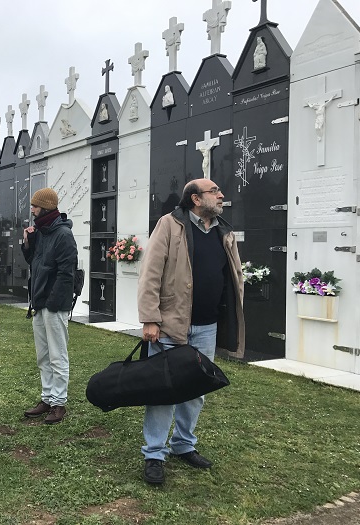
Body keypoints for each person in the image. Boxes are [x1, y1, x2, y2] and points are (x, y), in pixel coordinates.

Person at [137, 178, 244, 485]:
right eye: (215, 192)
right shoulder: (170, 225)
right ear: (196, 199)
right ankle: (154, 454)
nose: (221, 195)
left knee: (196, 391)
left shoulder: (223, 230)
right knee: (164, 390)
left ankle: (183, 444)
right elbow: (150, 273)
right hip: (171, 325)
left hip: (208, 326)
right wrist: (150, 318)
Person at [21, 188, 78, 425]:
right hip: (40, 302)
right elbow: (34, 263)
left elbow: (67, 273)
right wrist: (28, 242)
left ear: (45, 207)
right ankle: (47, 397)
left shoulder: (63, 235)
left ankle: (58, 403)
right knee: (43, 356)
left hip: (53, 305)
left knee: (57, 355)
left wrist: (53, 304)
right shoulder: (42, 231)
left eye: (34, 206)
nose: (32, 210)